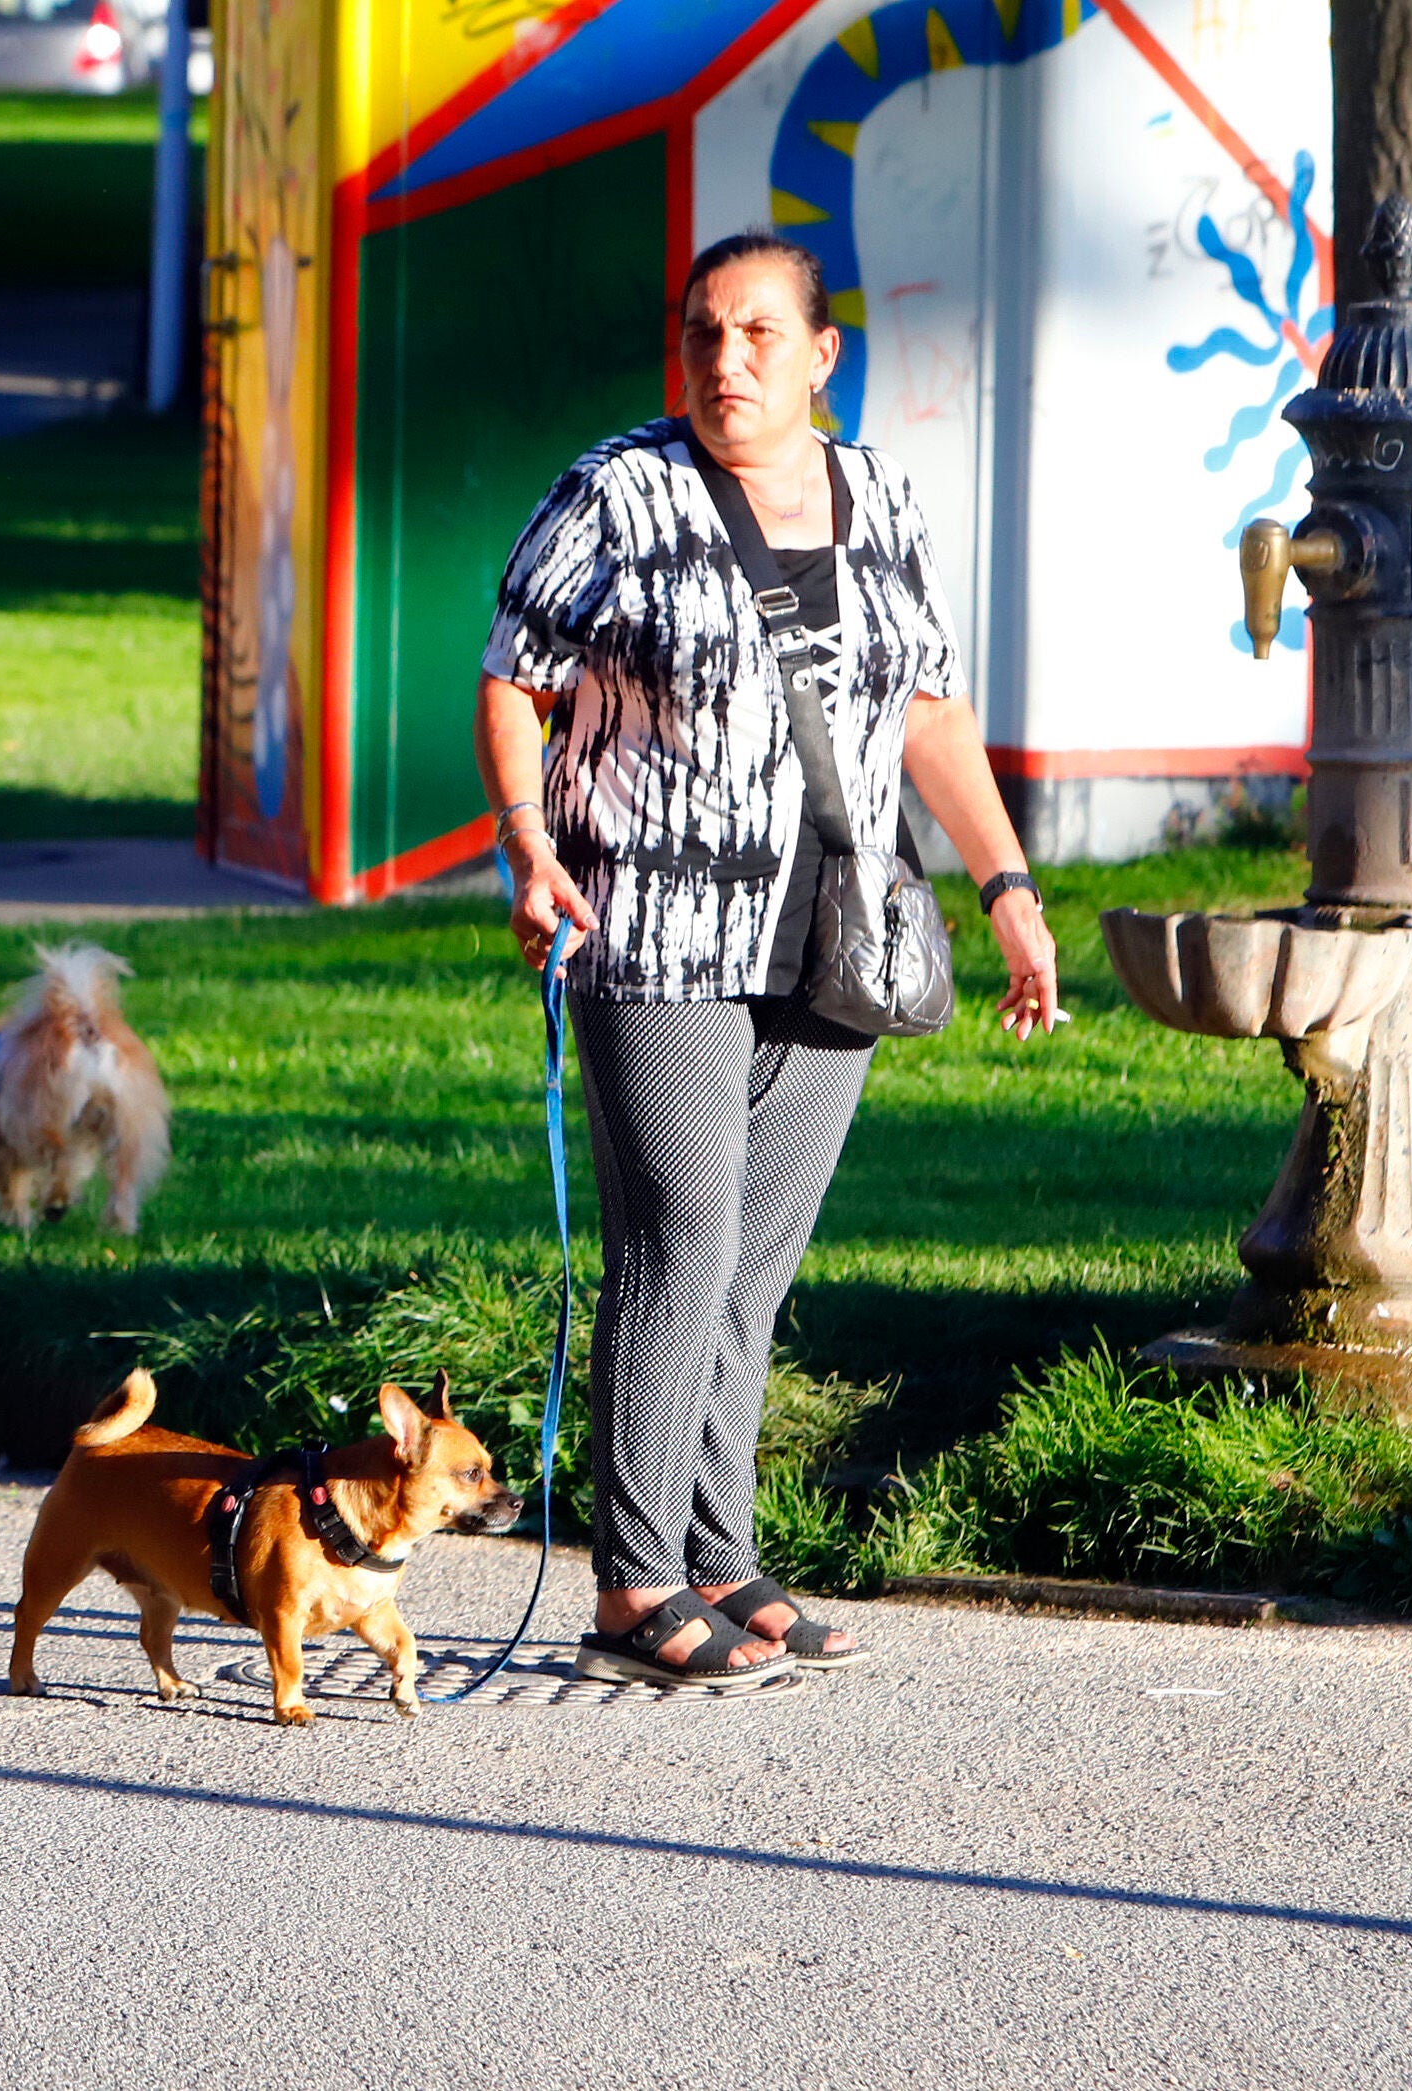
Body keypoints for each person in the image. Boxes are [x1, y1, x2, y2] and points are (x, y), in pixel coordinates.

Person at [473, 231, 1067, 1686]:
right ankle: (632, 1584)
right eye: (702, 334)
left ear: (820, 354)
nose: (724, 361)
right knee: (679, 1235)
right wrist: (527, 843)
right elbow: (512, 679)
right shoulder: (619, 493)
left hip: (837, 933)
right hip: (656, 927)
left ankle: (720, 1558)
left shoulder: (883, 499)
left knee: (752, 1266)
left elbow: (928, 709)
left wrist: (1007, 888)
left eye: (755, 334)